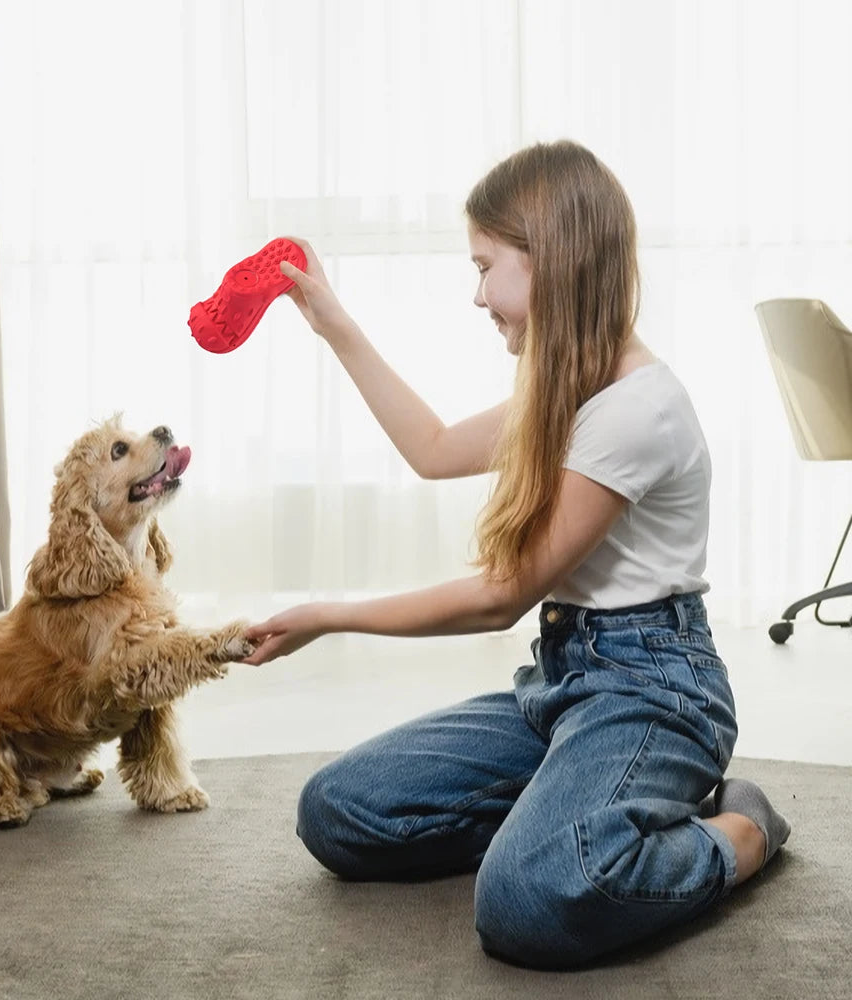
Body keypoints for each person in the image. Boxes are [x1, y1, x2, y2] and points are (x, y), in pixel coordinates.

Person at [241, 140, 790, 969]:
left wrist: (329, 615)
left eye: (485, 265)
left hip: (656, 693)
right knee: (339, 811)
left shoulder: (636, 410)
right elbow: (429, 448)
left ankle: (738, 831)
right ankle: (575, 820)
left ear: (552, 261)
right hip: (564, 683)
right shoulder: (565, 391)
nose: (476, 294)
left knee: (525, 905)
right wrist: (336, 327)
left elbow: (501, 596)